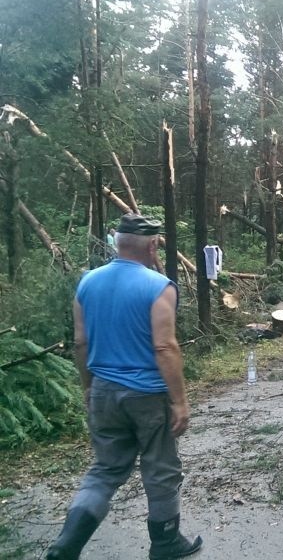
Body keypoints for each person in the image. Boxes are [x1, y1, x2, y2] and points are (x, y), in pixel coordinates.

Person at [47, 214, 202, 560]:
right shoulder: (158, 286)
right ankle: (165, 544)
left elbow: (80, 343)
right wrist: (179, 401)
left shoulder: (87, 283)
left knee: (105, 470)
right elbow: (164, 347)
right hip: (147, 395)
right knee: (161, 469)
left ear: (118, 243)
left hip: (103, 389)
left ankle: (66, 545)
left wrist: (89, 387)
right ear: (151, 245)